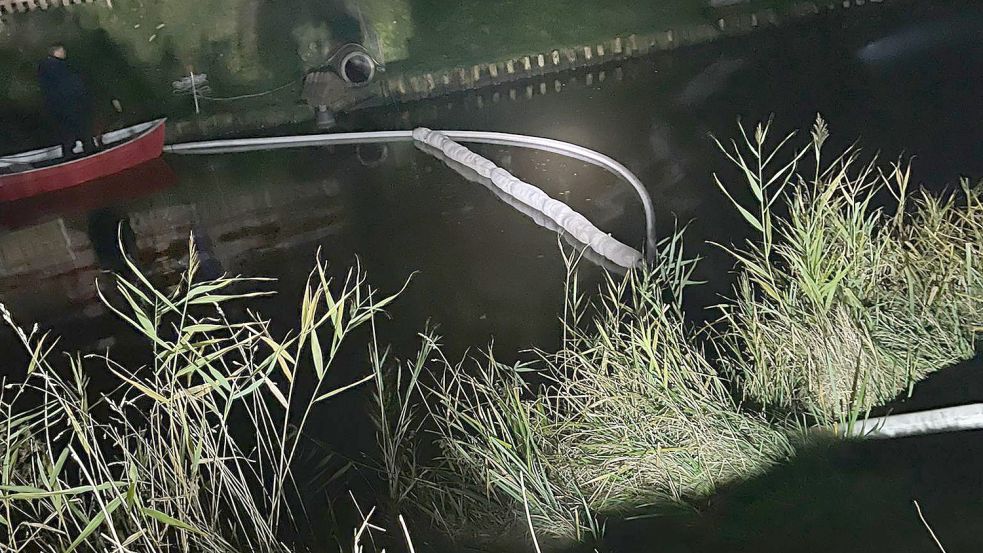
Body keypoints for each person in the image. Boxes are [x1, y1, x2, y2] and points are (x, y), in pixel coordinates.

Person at [37, 44, 98, 160]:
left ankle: (77, 149)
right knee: (75, 128)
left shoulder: (53, 67)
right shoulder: (55, 67)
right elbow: (68, 85)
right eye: (61, 50)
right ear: (55, 52)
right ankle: (81, 150)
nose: (64, 52)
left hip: (65, 104)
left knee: (72, 129)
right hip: (67, 104)